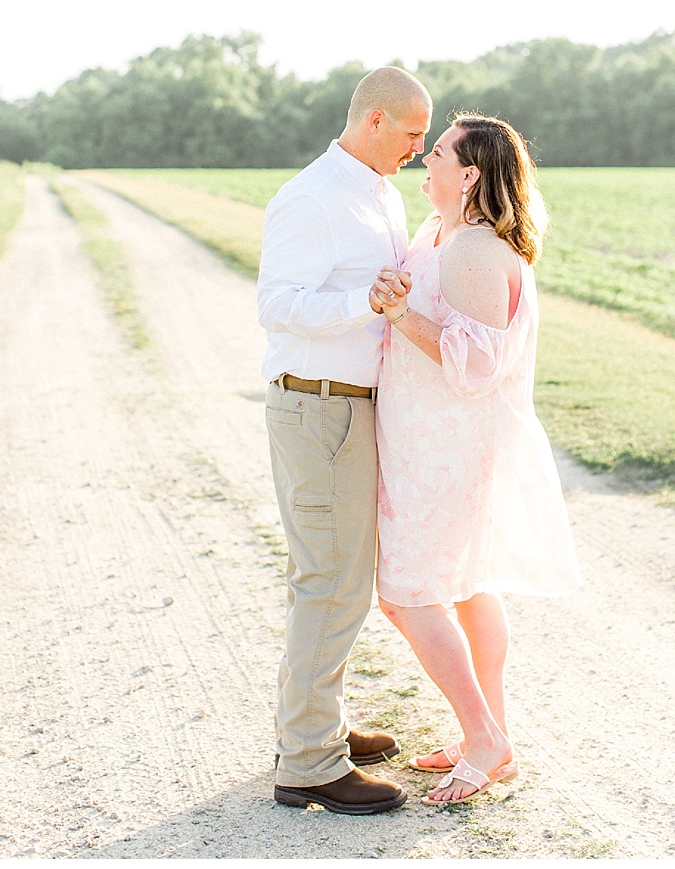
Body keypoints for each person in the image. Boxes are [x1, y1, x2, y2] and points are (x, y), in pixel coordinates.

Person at [367, 112, 582, 805]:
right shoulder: (439, 235)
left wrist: (400, 316)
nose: (423, 161)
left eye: (437, 153)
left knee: (405, 594)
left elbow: (475, 365)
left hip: (452, 448)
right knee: (463, 586)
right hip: (424, 439)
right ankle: (492, 741)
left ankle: (485, 736)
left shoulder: (478, 252)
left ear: (468, 174)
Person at [257, 65, 432, 816]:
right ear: (374, 124)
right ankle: (306, 763)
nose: (420, 152)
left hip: (354, 408)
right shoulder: (311, 198)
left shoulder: (379, 192)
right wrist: (363, 302)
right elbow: (277, 305)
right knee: (328, 581)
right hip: (318, 407)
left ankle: (318, 725)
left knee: (343, 575)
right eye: (412, 136)